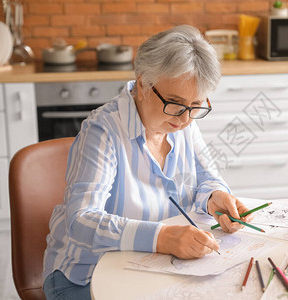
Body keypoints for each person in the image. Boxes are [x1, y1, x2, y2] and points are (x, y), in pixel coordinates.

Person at [42, 25, 254, 300]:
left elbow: (205, 178)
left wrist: (215, 197)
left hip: (153, 269)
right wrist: (162, 238)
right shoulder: (102, 131)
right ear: (142, 84)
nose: (186, 119)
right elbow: (81, 221)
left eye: (196, 105)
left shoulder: (182, 122)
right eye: (176, 103)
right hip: (85, 276)